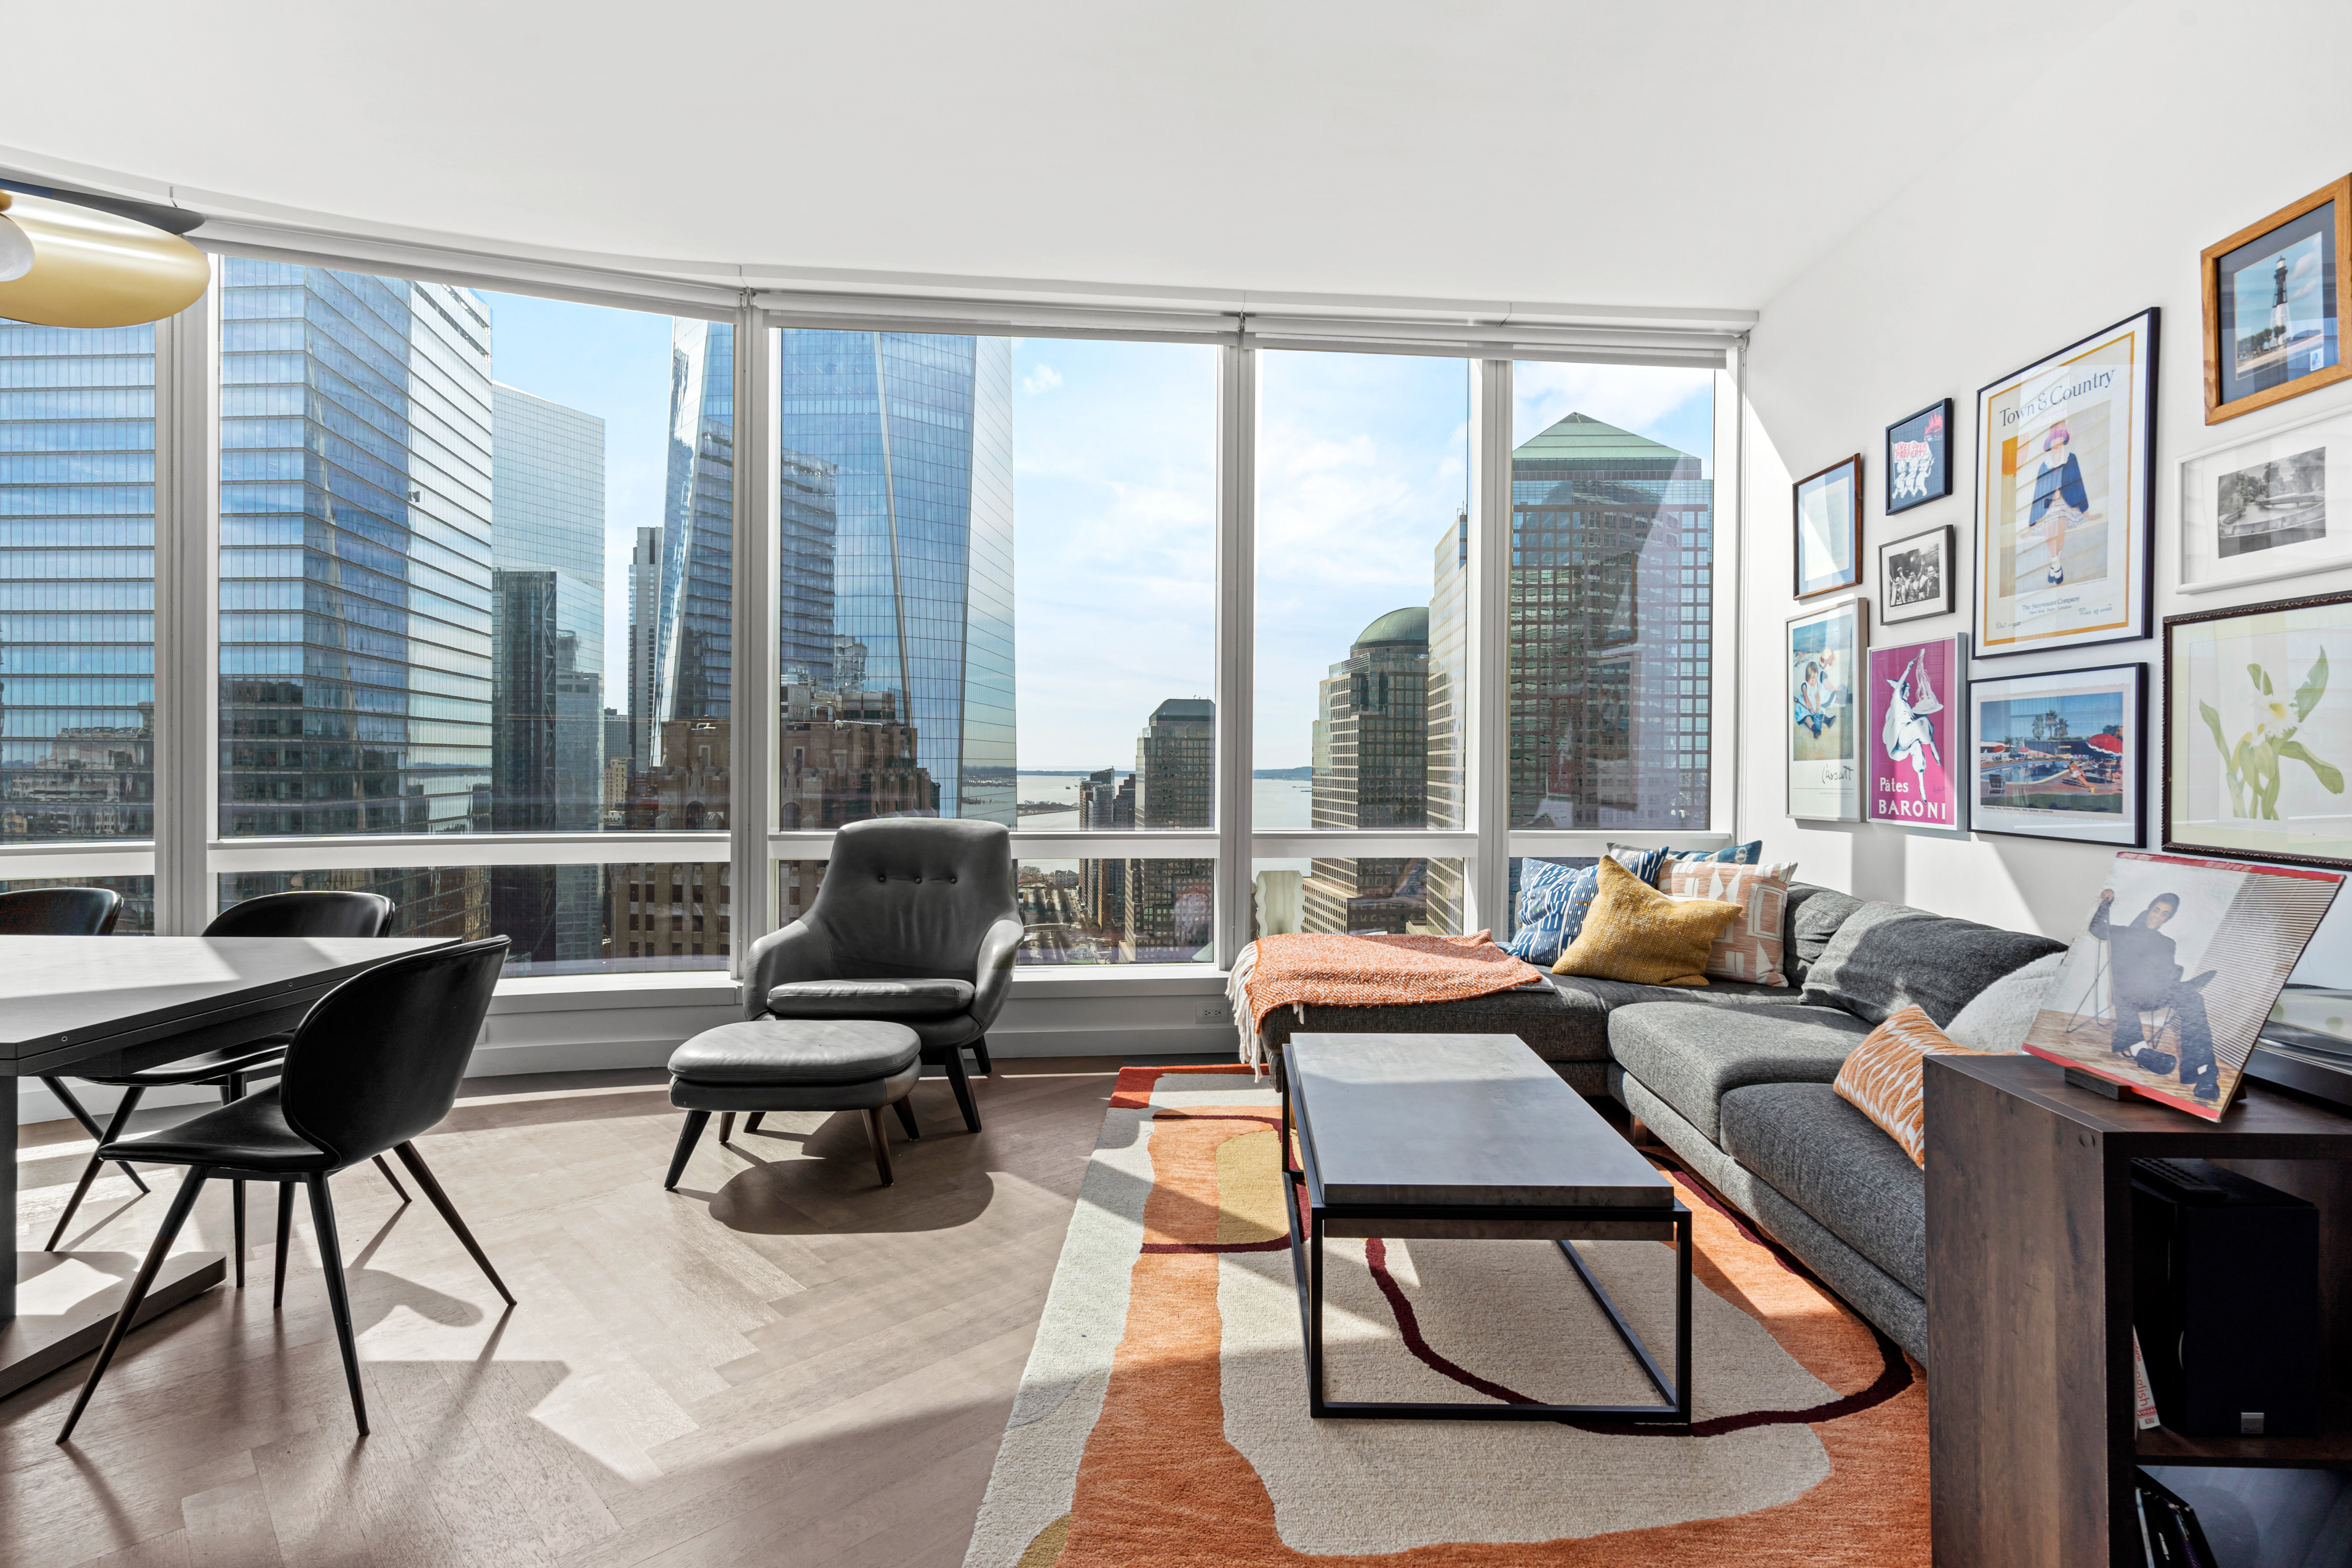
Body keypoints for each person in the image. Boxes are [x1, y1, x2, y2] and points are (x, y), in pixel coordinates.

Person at [2090, 888, 2219, 1101]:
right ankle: (2142, 1052)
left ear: (2168, 918)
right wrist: (2106, 903)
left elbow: (2166, 975)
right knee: (2127, 995)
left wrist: (2174, 979)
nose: (2157, 916)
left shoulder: (2167, 943)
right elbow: (2096, 929)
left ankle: (2205, 1072)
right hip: (2128, 993)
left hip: (2156, 992)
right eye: (2156, 910)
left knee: (2194, 1000)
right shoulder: (2121, 932)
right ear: (2149, 909)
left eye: (2164, 914)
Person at [2027, 422, 2090, 588]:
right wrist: (2031, 525)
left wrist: (2087, 511)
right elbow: (2038, 495)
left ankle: (2054, 567)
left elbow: (2079, 485)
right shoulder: (2044, 466)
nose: (2058, 444)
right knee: (2049, 530)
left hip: (2066, 504)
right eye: (2054, 441)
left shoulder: (2071, 459)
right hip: (2048, 507)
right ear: (2050, 445)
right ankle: (2056, 565)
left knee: (2060, 528)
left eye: (2060, 440)